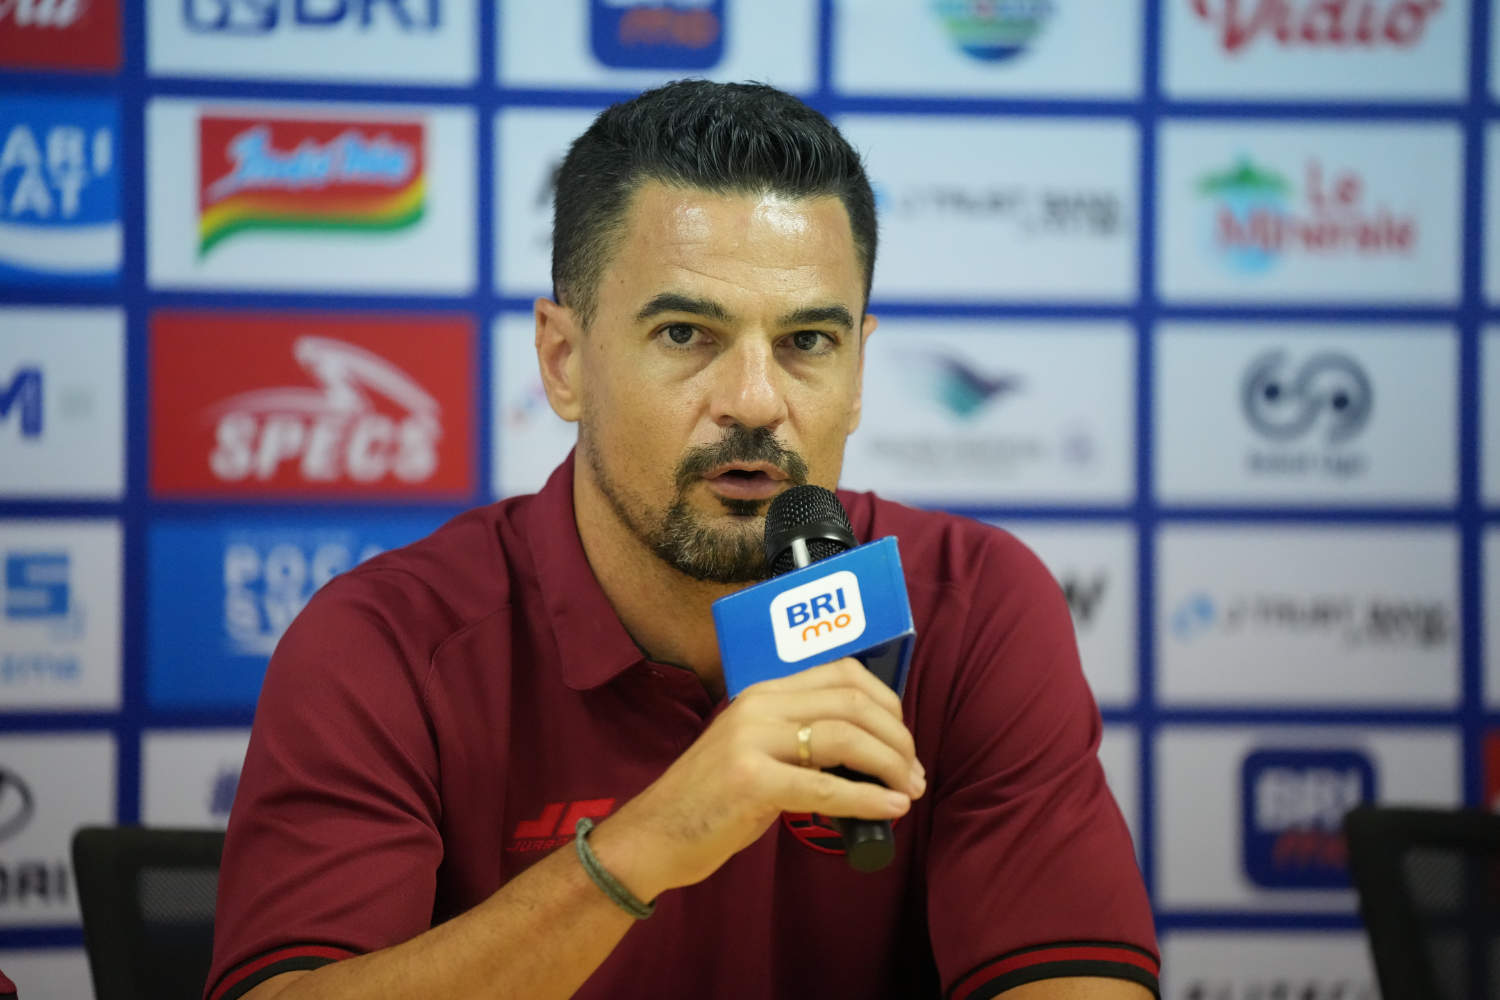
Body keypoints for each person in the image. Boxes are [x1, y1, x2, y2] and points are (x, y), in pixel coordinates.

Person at [204, 80, 1159, 1000]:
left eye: (807, 343)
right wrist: (648, 843)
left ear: (860, 370)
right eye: (685, 334)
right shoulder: (385, 644)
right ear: (563, 360)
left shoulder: (970, 605)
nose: (755, 402)